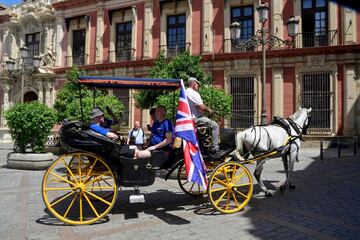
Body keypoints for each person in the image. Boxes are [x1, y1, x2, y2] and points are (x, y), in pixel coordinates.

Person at [185, 77, 220, 153]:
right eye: (198, 85)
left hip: (190, 119)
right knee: (215, 126)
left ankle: (208, 145)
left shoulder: (185, 92)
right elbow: (201, 106)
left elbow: (196, 106)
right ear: (194, 84)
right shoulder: (193, 93)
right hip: (197, 119)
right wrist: (209, 110)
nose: (198, 86)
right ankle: (215, 148)